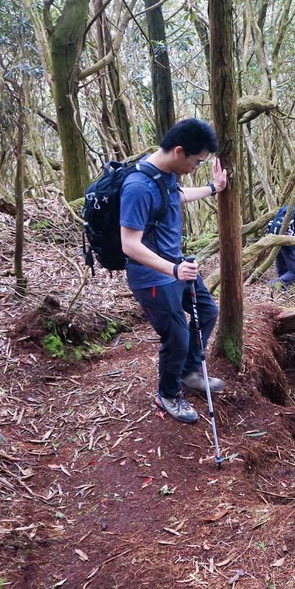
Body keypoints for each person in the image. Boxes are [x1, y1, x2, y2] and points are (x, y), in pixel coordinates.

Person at [119, 118, 229, 423]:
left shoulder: (165, 175)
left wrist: (212, 188)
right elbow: (129, 244)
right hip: (153, 276)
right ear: (179, 152)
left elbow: (174, 197)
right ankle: (168, 393)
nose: (197, 166)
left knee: (207, 313)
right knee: (178, 335)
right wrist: (173, 269)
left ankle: (190, 372)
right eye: (197, 161)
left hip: (176, 269)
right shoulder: (138, 187)